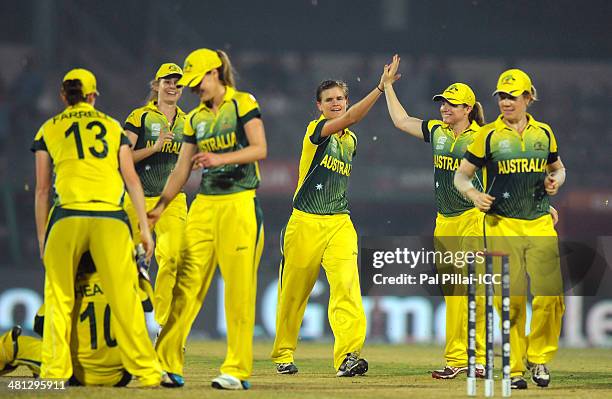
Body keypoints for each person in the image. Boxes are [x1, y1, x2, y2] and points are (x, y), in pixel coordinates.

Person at [270, 56, 400, 377]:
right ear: (319, 106)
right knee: (294, 294)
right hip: (305, 222)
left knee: (347, 287)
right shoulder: (317, 131)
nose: (336, 104)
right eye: (329, 100)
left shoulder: (351, 141)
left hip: (340, 222)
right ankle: (283, 353)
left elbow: (352, 124)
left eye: (341, 98)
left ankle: (348, 356)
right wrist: (380, 88)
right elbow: (354, 118)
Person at [32, 68, 162, 386]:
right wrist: (144, 227)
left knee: (59, 297)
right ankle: (147, 372)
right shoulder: (112, 127)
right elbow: (131, 178)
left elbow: (42, 190)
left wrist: (41, 237)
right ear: (92, 97)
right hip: (110, 217)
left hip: (67, 216)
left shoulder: (48, 129)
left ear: (64, 96)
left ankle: (54, 372)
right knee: (125, 297)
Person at [148, 49, 267, 390]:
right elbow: (182, 168)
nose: (194, 88)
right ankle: (166, 365)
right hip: (203, 206)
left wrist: (219, 158)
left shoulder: (242, 103)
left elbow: (260, 149)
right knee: (185, 285)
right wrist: (160, 205)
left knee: (238, 291)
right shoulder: (194, 119)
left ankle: (236, 370)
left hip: (240, 203)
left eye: (197, 80)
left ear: (215, 73)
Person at [454, 68, 566, 389]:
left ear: (528, 97)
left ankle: (539, 356)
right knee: (511, 300)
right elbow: (461, 177)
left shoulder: (544, 133)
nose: (505, 102)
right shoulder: (487, 135)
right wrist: (475, 194)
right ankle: (514, 369)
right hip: (501, 224)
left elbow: (558, 169)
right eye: (501, 97)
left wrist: (554, 182)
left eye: (512, 97)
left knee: (551, 296)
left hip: (541, 222)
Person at [382, 55, 487, 379]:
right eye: (442, 102)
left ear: (468, 109)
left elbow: (512, 171)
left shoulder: (485, 138)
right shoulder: (437, 131)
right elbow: (401, 121)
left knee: (475, 291)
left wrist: (541, 202)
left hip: (474, 218)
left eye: (451, 104)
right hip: (445, 220)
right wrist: (386, 87)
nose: (444, 108)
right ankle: (456, 361)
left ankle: (479, 359)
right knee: (455, 294)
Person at [0, 253, 156, 386]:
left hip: (76, 373)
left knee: (15, 343)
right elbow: (148, 305)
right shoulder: (120, 281)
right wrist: (141, 276)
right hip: (120, 376)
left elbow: (40, 324)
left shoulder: (68, 287)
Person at [124, 63, 187, 328]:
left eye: (177, 83)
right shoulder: (140, 116)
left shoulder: (188, 122)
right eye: (167, 81)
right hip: (137, 198)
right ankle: (126, 326)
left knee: (172, 258)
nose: (172, 86)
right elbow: (123, 157)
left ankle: (162, 327)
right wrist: (155, 146)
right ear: (156, 85)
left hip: (172, 200)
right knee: (129, 264)